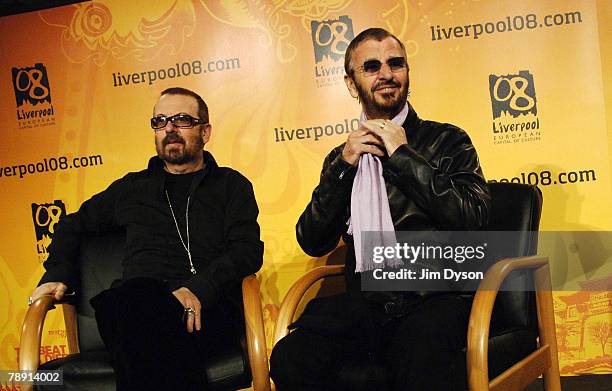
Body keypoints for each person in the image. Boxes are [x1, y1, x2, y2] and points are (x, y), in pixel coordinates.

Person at [270, 28, 490, 390]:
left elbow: (473, 218)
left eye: (396, 63)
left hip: (435, 296)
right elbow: (312, 240)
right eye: (371, 66)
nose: (386, 73)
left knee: (419, 360)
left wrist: (403, 157)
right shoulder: (341, 159)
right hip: (368, 303)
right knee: (291, 357)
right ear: (352, 83)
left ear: (407, 72)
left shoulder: (447, 140)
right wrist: (343, 169)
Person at [29, 87, 264, 390]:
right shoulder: (131, 189)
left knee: (135, 327)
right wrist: (58, 273)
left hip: (206, 312)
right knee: (133, 300)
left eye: (181, 120)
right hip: (133, 307)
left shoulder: (231, 185)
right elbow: (73, 224)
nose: (169, 129)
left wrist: (199, 289)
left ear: (205, 131)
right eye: (160, 121)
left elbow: (247, 250)